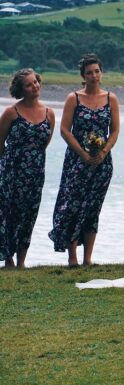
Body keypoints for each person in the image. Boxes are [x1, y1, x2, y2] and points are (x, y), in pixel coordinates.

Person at [49, 54, 120, 266]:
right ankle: (72, 258)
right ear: (83, 75)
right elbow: (64, 130)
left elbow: (115, 130)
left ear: (102, 72)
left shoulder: (111, 99)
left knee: (93, 209)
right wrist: (83, 153)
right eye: (89, 72)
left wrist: (103, 152)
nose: (94, 75)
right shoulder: (74, 98)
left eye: (97, 71)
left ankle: (88, 259)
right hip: (77, 161)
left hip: (102, 162)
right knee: (73, 206)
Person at [0, 69, 55, 268]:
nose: (35, 87)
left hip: (35, 174)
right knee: (9, 214)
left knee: (29, 215)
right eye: (29, 84)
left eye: (36, 82)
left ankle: (22, 261)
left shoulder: (49, 113)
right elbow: (0, 144)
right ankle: (8, 260)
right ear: (21, 89)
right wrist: (10, 166)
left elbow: (44, 143)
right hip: (11, 174)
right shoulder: (10, 113)